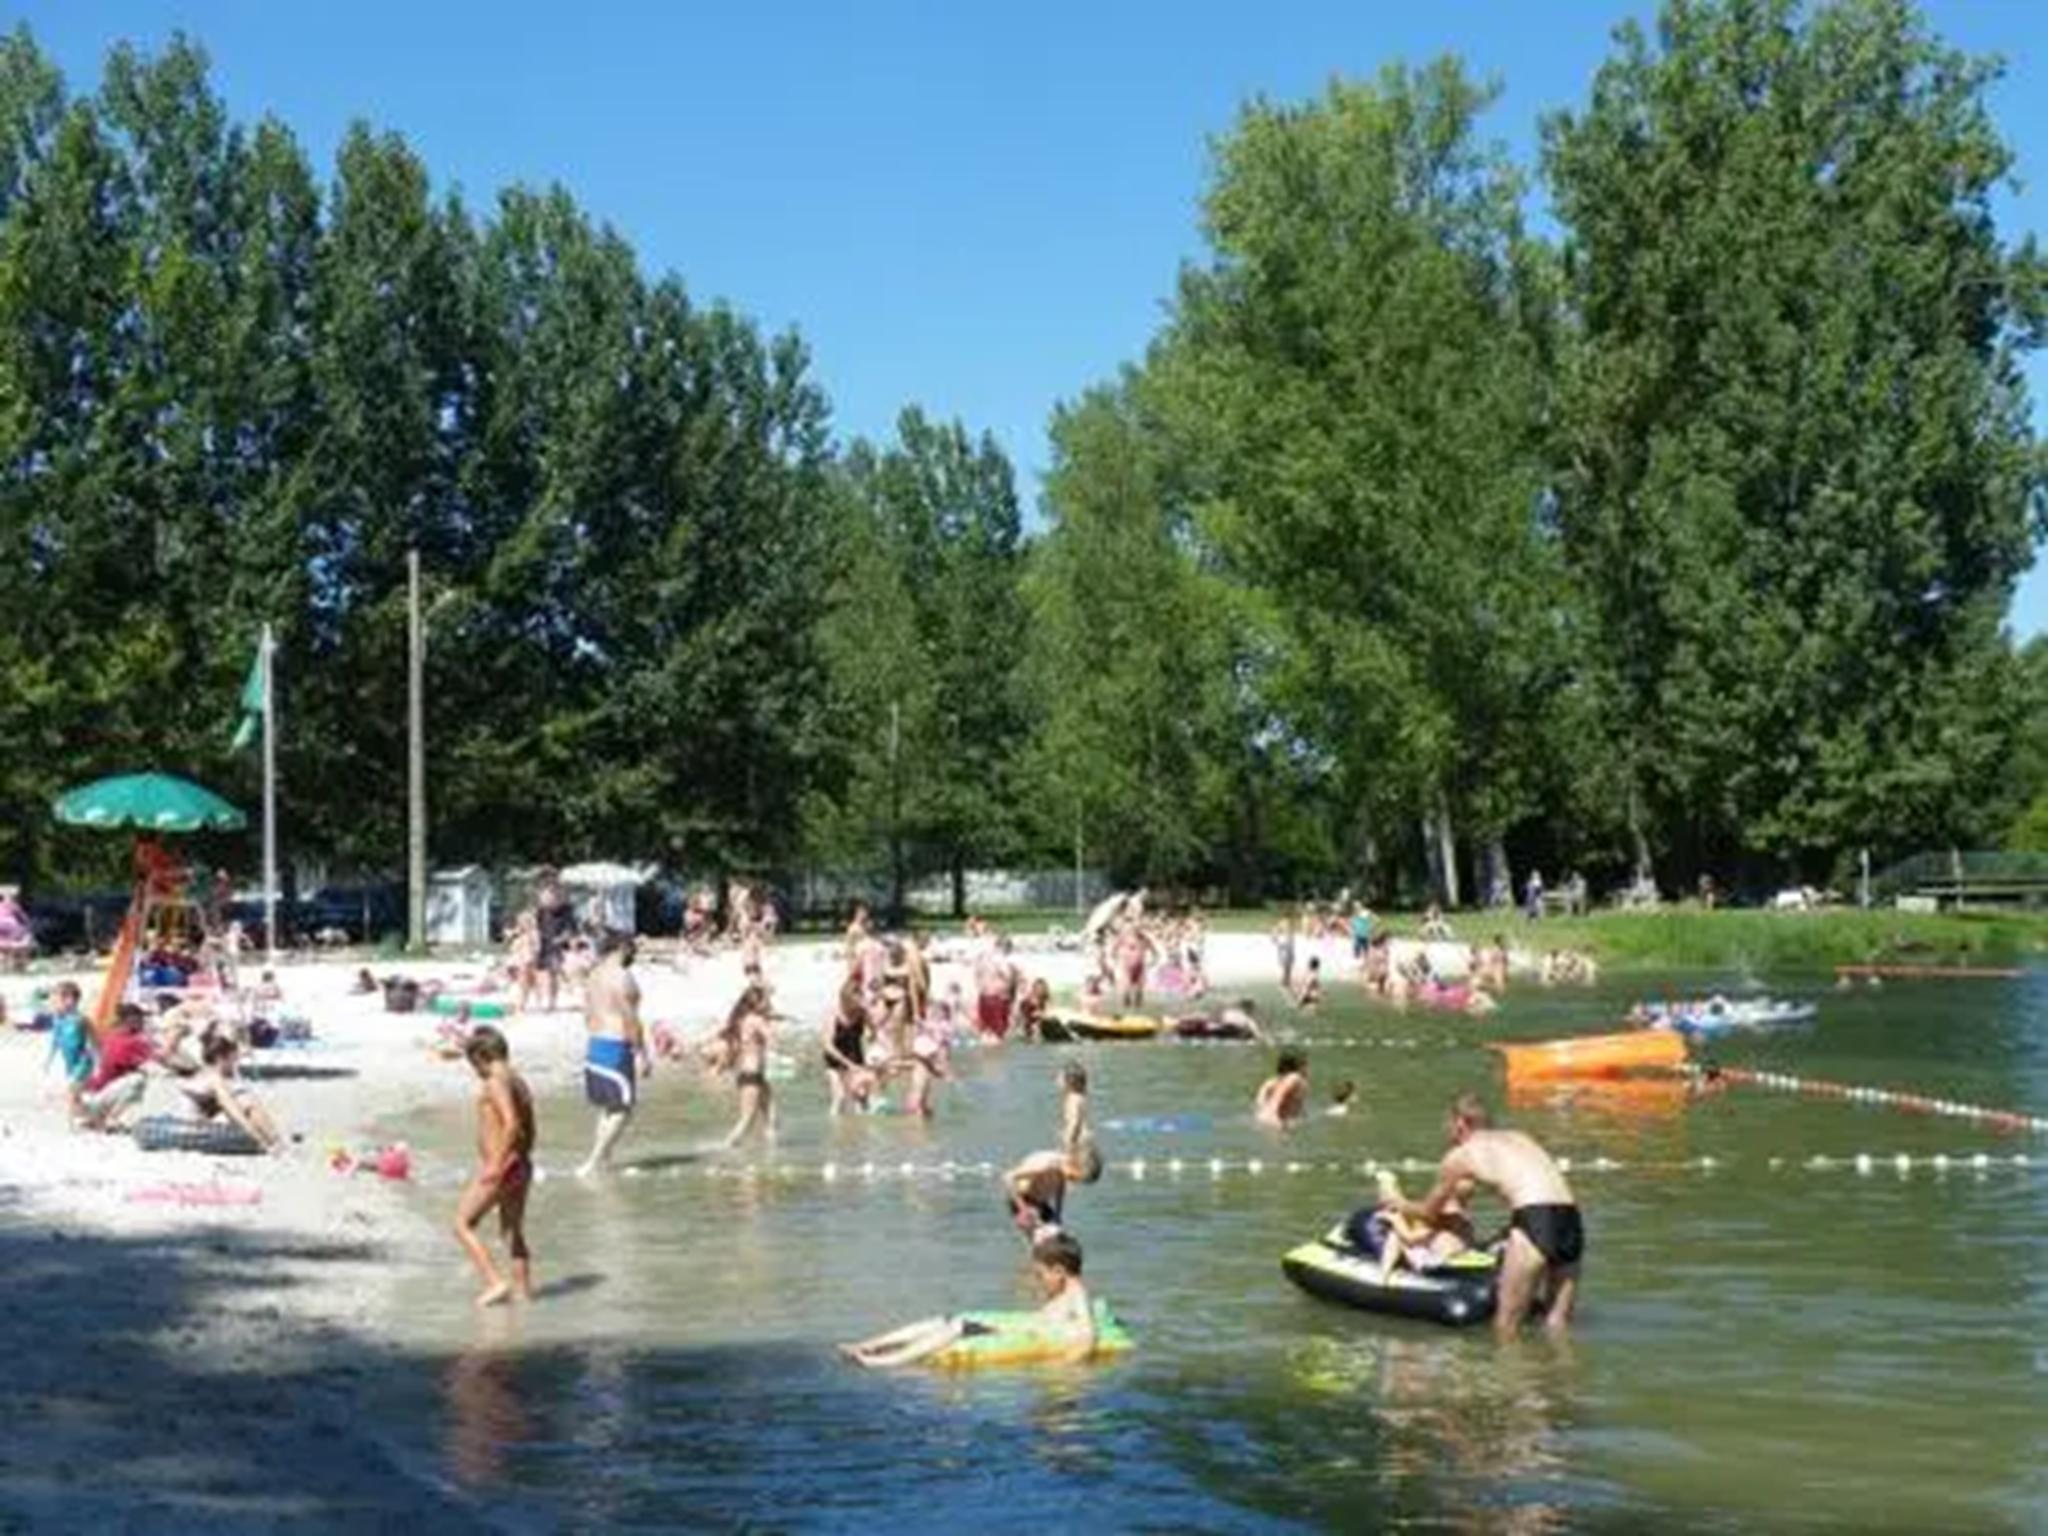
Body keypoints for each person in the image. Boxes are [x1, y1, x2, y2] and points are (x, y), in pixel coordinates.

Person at [1385, 1093, 1582, 1340]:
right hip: (1571, 1218)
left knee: (1506, 1325)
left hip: (1535, 1217)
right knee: (1557, 1322)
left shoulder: (1460, 1155)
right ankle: (1562, 1376)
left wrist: (1399, 1202)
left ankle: (1507, 1378)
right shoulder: (1520, 1137)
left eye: (1449, 1128)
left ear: (1459, 1124)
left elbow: (1428, 1211)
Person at [840, 1230, 1098, 1369]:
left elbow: (1088, 1335)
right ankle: (871, 1344)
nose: (1038, 1280)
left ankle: (886, 1361)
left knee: (957, 1327)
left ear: (1059, 1271)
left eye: (1040, 1274)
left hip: (1023, 1335)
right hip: (1020, 1329)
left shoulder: (1077, 1294)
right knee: (946, 1319)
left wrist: (1068, 1365)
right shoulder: (1064, 1289)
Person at [453, 1025, 537, 1308]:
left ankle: (494, 1282)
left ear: (480, 1057)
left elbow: (511, 1123)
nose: (474, 1071)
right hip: (522, 1165)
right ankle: (524, 1298)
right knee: (513, 1232)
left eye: (472, 1064)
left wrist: (497, 1164)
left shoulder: (495, 1081)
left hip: (503, 1165)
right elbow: (530, 1127)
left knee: (462, 1224)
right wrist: (522, 1159)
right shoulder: (518, 1080)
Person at [576, 929, 649, 1177]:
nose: (634, 953)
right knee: (623, 1109)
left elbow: (586, 1012)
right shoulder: (622, 977)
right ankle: (594, 1162)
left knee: (608, 1108)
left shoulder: (594, 974)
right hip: (616, 1046)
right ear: (622, 948)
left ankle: (604, 1161)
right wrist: (641, 1053)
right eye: (632, 948)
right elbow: (631, 1018)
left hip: (595, 1043)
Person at [180, 1033, 283, 1150]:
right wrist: (259, 1140)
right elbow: (233, 1110)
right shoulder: (214, 1080)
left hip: (201, 1126)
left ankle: (275, 1140)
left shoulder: (208, 1074)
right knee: (246, 1103)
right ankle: (275, 1141)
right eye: (233, 1059)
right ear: (221, 1058)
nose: (235, 1063)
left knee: (245, 1101)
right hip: (196, 1133)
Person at [1004, 1141, 1104, 1243]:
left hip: (1041, 1202)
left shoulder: (1065, 1168)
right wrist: (1023, 1209)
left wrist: (1058, 1213)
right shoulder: (1047, 1165)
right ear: (1074, 1163)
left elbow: (1060, 1186)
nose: (1073, 1182)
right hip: (1024, 1199)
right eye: (1073, 1178)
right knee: (1038, 1235)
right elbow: (1008, 1177)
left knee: (1056, 1233)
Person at [714, 983, 775, 1146]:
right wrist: (770, 1021)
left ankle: (771, 1145)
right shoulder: (756, 1020)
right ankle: (726, 1146)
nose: (769, 1003)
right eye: (766, 1000)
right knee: (748, 1118)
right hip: (753, 1072)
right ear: (758, 1003)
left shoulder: (742, 1020)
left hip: (748, 1072)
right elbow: (772, 1039)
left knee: (770, 1114)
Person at [78, 1002, 155, 1131]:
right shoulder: (131, 1041)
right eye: (141, 1018)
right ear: (132, 1020)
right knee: (138, 1079)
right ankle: (112, 1118)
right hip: (99, 1097)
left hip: (91, 1094)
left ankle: (99, 1117)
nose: (144, 1022)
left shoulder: (111, 1036)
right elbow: (160, 1058)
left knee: (138, 1077)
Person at [821, 977, 876, 1114]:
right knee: (839, 1097)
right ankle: (836, 1130)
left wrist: (872, 1043)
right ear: (845, 1000)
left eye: (860, 1000)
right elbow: (827, 1045)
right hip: (835, 1059)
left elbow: (874, 1031)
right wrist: (848, 1064)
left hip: (855, 1055)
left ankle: (860, 1130)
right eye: (854, 1002)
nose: (856, 1006)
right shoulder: (833, 1014)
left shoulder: (862, 1013)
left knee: (862, 1096)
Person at [45, 982, 94, 1123]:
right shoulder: (58, 1019)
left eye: (56, 1000)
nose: (53, 1003)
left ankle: (72, 1124)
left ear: (71, 1000)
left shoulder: (81, 1020)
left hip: (83, 1060)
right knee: (75, 1094)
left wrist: (99, 1064)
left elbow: (95, 1043)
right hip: (68, 1061)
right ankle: (88, 1116)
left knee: (72, 1091)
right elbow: (55, 1041)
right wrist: (49, 1060)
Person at [974, 934, 1020, 1040]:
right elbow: (1007, 977)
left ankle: (986, 1054)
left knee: (984, 1032)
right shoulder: (1003, 960)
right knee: (998, 1034)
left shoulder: (983, 957)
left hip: (983, 996)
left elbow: (977, 975)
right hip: (999, 998)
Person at [1255, 1048, 1310, 1127]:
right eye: (1305, 1064)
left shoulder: (1269, 1082)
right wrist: (1275, 1119)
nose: (1307, 1069)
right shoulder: (1295, 1078)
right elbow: (1277, 1099)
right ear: (1299, 1065)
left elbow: (1259, 1104)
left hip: (1262, 1120)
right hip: (1275, 1122)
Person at [1058, 1061, 1092, 1156]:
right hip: (1083, 1142)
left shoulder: (1073, 1099)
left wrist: (1069, 1143)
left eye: (1060, 1077)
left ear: (1069, 1081)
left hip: (1078, 1143)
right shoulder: (1079, 1097)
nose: (1057, 1080)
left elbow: (1075, 1122)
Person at [1272, 914, 1297, 992]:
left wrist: (1276, 937)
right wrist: (1275, 935)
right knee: (1286, 968)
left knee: (1288, 968)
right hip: (1285, 951)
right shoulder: (1284, 931)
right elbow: (1276, 940)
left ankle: (1286, 982)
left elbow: (1288, 943)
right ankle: (1284, 982)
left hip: (1288, 950)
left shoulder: (1289, 933)